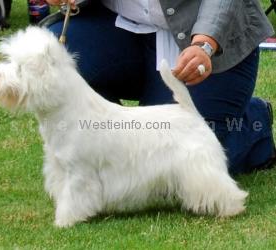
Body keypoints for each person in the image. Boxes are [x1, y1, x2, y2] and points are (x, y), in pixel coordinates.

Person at [45, 0, 275, 175]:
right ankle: (102, 152)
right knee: (55, 58)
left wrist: (205, 43)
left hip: (209, 43)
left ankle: (253, 124)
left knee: (179, 164)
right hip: (121, 30)